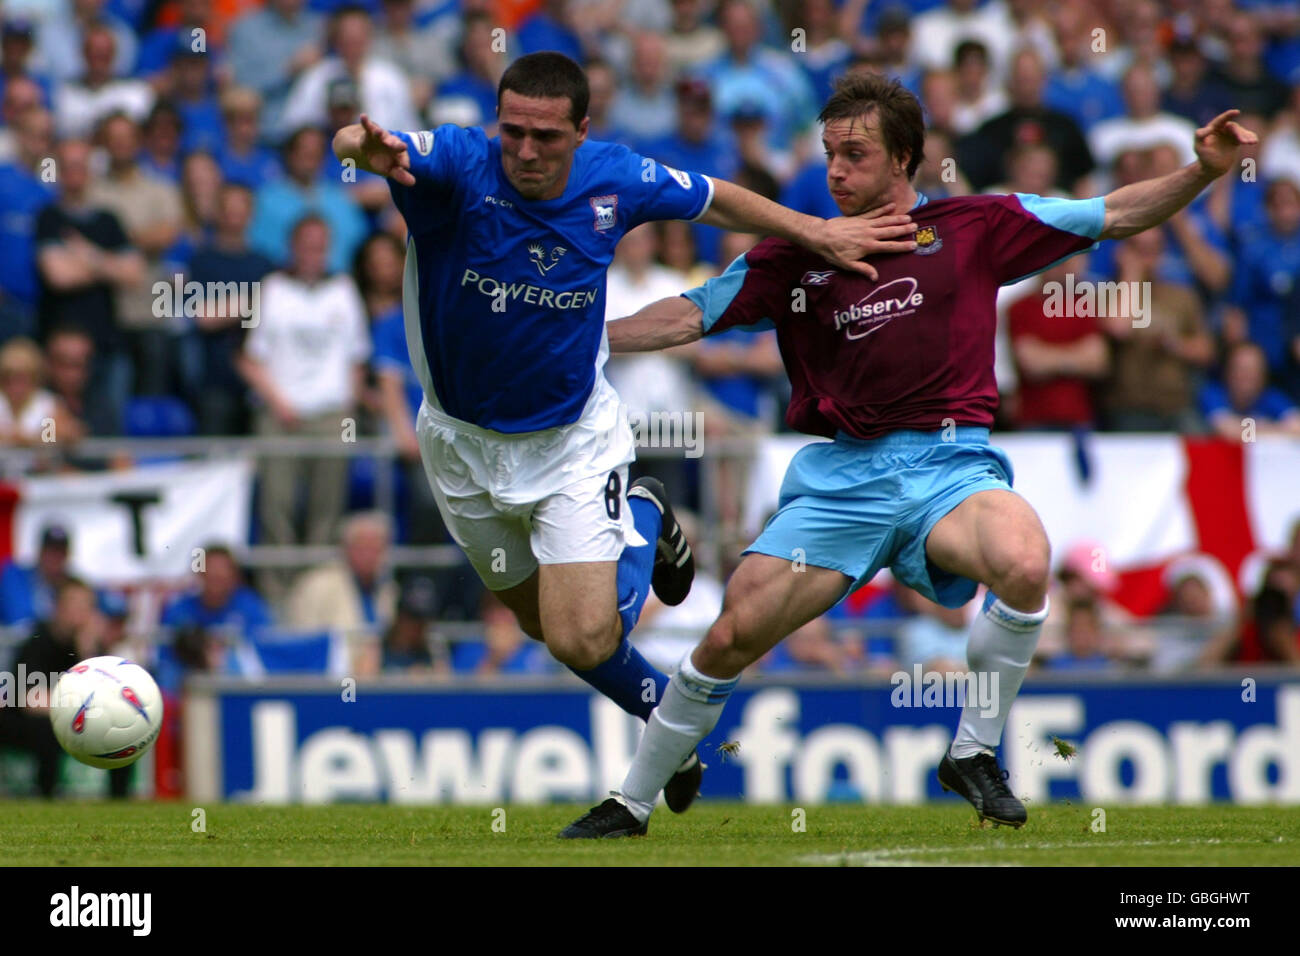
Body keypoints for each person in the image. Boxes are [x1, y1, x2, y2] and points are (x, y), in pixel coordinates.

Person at [559, 72, 1257, 837]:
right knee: (727, 640)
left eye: (854, 154)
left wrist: (1202, 171)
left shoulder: (977, 225)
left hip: (950, 469)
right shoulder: (797, 255)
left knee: (1025, 562)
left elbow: (1113, 212)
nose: (835, 171)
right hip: (843, 483)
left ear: (905, 160)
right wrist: (586, 339)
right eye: (828, 153)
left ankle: (973, 751)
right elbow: (691, 314)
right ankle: (631, 802)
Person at [331, 51, 910, 814]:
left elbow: (718, 201)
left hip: (571, 439)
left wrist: (816, 233)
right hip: (458, 444)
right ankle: (666, 708)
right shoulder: (459, 163)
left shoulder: (618, 177)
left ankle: (641, 520)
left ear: (582, 131)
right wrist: (363, 150)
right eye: (514, 133)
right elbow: (355, 141)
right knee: (543, 624)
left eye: (545, 136)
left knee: (579, 637)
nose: (527, 151)